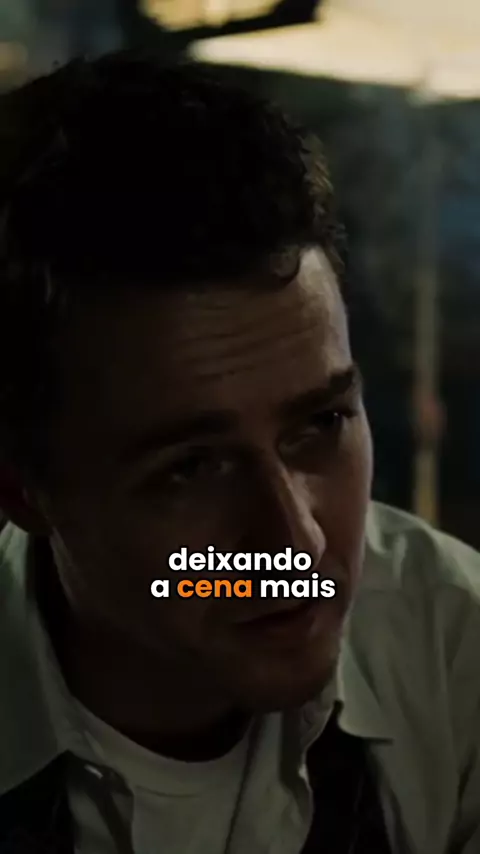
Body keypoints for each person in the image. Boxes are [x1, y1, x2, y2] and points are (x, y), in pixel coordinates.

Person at [0, 50, 479, 854]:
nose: (297, 542)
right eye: (192, 468)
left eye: (321, 424)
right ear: (22, 488)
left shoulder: (454, 650)